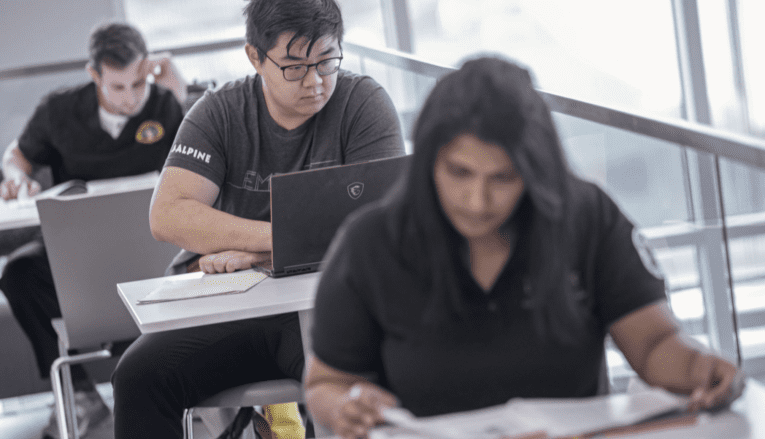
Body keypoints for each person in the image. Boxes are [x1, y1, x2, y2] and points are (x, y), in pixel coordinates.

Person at [303, 56, 743, 439]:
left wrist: (698, 366)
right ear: (427, 162)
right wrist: (347, 404)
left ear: (535, 173)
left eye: (504, 178)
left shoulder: (585, 218)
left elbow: (652, 345)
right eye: (459, 172)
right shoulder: (371, 243)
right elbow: (325, 383)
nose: (478, 202)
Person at [110, 0, 405, 437]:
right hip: (230, 307)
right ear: (255, 57)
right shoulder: (220, 111)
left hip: (332, 304)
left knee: (365, 385)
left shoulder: (362, 103)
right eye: (294, 66)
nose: (315, 82)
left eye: (327, 61)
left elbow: (380, 228)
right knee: (138, 377)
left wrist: (256, 248)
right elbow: (168, 216)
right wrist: (276, 240)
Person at [0, 21, 185, 439]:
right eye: (118, 87)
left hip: (150, 245)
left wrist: (178, 91)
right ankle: (80, 396)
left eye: (139, 83)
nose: (132, 98)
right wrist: (16, 176)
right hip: (75, 250)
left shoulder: (164, 104)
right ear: (94, 75)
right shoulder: (60, 109)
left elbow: (205, 156)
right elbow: (18, 156)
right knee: (18, 273)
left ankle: (146, 384)